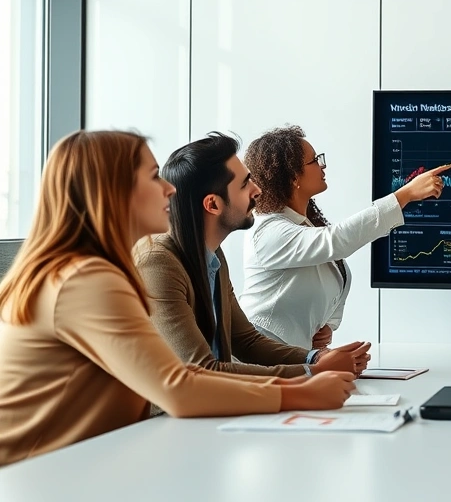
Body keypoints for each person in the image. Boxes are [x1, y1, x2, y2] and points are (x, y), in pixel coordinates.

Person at [0, 131, 353, 466]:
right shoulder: (87, 279)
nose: (170, 189)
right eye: (154, 177)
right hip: (42, 476)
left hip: (84, 462)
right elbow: (178, 385)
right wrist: (302, 387)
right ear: (112, 192)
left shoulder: (99, 270)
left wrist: (312, 365)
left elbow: (218, 356)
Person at [136, 133, 367, 378]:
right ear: (213, 205)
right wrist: (312, 371)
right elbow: (202, 370)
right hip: (167, 415)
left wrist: (316, 356)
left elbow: (246, 341)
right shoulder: (159, 264)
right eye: (245, 184)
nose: (258, 190)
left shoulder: (213, 257)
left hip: (215, 407)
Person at [240, 125, 445, 349]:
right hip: (258, 361)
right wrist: (405, 194)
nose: (322, 165)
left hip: (292, 362)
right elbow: (337, 241)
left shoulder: (303, 224)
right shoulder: (266, 232)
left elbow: (335, 273)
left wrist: (327, 324)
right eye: (314, 160)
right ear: (292, 177)